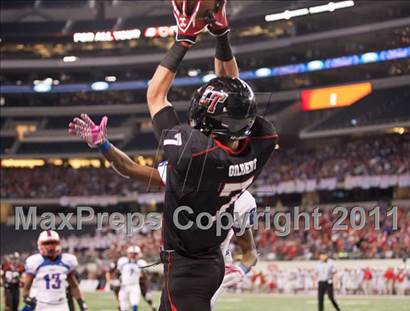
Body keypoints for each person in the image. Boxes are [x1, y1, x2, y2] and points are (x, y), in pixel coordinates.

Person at [69, 0, 276, 310]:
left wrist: (185, 37)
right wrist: (221, 34)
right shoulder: (254, 149)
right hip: (205, 263)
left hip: (189, 270)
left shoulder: (192, 159)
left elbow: (155, 95)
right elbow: (233, 91)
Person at [21, 230, 88, 311]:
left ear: (59, 244)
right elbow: (26, 286)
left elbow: (74, 286)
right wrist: (26, 298)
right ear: (40, 244)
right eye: (47, 243)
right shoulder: (35, 261)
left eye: (53, 243)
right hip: (42, 304)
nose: (50, 246)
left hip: (61, 304)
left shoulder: (67, 261)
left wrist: (81, 303)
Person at [116, 245, 147, 311]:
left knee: (135, 304)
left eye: (135, 253)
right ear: (128, 253)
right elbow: (118, 272)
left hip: (135, 286)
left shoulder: (141, 262)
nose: (133, 255)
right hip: (124, 286)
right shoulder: (122, 261)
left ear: (139, 254)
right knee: (123, 306)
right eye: (131, 253)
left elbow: (145, 275)